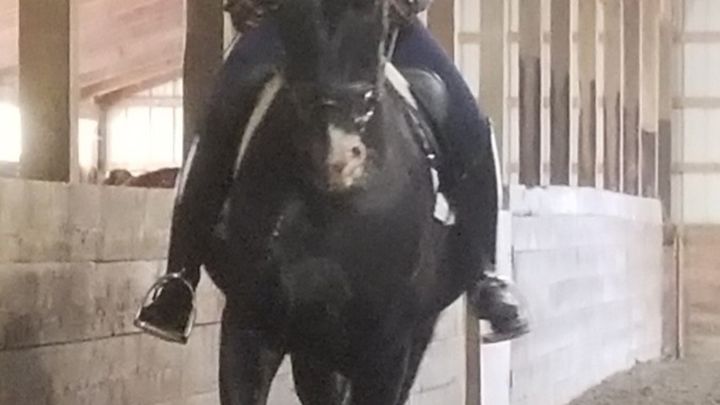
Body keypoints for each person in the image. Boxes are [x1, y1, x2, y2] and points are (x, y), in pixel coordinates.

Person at [134, 0, 529, 345]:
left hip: (377, 22)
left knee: (468, 122)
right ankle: (179, 279)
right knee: (217, 119)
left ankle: (485, 272)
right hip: (289, 22)